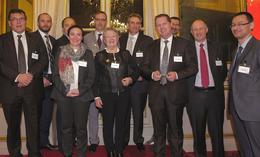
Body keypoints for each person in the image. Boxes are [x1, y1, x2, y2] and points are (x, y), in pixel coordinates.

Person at [141, 14, 197, 157]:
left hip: (176, 94)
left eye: (164, 24)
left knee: (175, 131)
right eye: (158, 25)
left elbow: (193, 67)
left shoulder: (184, 44)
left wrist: (178, 75)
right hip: (156, 94)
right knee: (158, 132)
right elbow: (144, 67)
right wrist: (151, 74)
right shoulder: (151, 45)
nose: (161, 27)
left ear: (170, 25)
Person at [0, 9, 48, 157]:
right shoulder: (1, 40)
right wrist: (17, 76)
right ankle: (15, 153)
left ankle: (34, 153)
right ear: (9, 23)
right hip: (10, 89)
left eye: (21, 18)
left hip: (32, 89)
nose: (19, 21)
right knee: (13, 126)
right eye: (15, 19)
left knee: (33, 125)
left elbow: (43, 59)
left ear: (26, 21)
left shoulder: (36, 38)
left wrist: (30, 75)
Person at [94, 27, 139, 157]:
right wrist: (96, 96)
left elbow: (136, 71)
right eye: (108, 37)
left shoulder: (126, 54)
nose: (111, 39)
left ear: (118, 38)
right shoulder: (99, 56)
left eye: (113, 36)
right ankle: (110, 150)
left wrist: (130, 79)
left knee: (121, 124)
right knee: (107, 124)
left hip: (124, 95)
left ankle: (119, 150)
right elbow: (95, 78)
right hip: (106, 96)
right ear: (104, 40)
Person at [51, 25, 95, 157]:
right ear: (68, 36)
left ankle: (81, 154)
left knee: (81, 128)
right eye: (72, 34)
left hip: (82, 96)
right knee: (66, 128)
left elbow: (91, 76)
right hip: (63, 95)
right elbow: (55, 75)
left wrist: (79, 90)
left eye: (79, 34)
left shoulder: (87, 53)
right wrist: (66, 90)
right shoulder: (61, 51)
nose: (75, 37)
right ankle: (67, 153)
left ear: (82, 37)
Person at [188, 19, 227, 157]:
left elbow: (222, 72)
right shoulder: (187, 48)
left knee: (217, 133)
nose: (198, 31)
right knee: (198, 134)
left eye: (201, 28)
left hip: (215, 96)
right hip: (195, 96)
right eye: (195, 29)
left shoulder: (218, 47)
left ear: (206, 29)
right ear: (191, 32)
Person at [119, 13, 153, 150]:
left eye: (138, 23)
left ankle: (138, 139)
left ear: (141, 25)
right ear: (128, 24)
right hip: (123, 83)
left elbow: (150, 61)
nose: (135, 25)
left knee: (138, 113)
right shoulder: (121, 39)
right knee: (124, 113)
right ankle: (124, 139)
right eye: (132, 22)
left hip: (140, 83)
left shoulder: (148, 40)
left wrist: (143, 76)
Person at [229, 12, 260, 157]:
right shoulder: (236, 51)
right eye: (233, 25)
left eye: (241, 24)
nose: (236, 28)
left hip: (254, 112)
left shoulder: (258, 47)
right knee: (245, 150)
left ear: (252, 25)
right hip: (237, 110)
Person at [32, 12, 58, 151]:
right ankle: (35, 144)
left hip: (51, 83)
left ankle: (43, 141)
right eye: (43, 21)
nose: (46, 23)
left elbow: (57, 63)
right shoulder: (31, 38)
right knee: (35, 115)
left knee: (47, 115)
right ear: (38, 23)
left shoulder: (53, 41)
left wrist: (51, 78)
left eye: (48, 21)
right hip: (36, 83)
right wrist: (39, 78)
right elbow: (29, 62)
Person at [83, 11, 107, 152]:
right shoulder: (86, 38)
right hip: (91, 82)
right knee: (92, 113)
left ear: (106, 21)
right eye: (97, 19)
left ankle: (111, 139)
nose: (100, 22)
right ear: (94, 21)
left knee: (109, 114)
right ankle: (93, 141)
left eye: (103, 20)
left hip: (107, 82)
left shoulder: (112, 35)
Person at [54, 16, 76, 151]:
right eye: (67, 25)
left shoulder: (79, 41)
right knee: (62, 119)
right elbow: (55, 67)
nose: (70, 28)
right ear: (63, 28)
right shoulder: (59, 43)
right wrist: (64, 87)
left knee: (74, 119)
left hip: (76, 88)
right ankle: (63, 145)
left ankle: (71, 142)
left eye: (72, 25)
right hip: (62, 88)